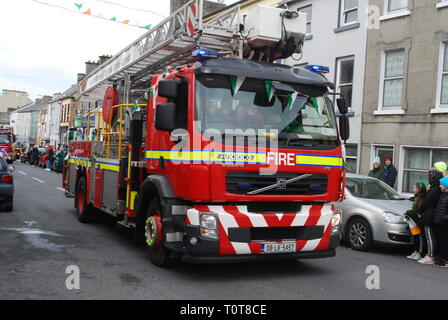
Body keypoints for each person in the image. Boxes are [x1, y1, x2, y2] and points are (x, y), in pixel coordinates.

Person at [416, 168, 443, 265]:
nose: (429, 179)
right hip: (434, 215)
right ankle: (432, 255)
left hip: (430, 215)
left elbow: (426, 203)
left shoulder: (433, 190)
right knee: (432, 236)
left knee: (429, 236)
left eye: (431, 177)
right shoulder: (438, 189)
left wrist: (419, 211)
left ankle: (431, 256)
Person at [405, 182, 427, 260]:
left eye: (414, 188)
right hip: (414, 220)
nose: (413, 189)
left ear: (419, 189)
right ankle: (415, 251)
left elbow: (418, 210)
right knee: (415, 236)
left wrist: (409, 212)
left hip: (418, 221)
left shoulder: (422, 198)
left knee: (419, 236)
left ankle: (419, 253)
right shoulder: (416, 197)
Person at [433, 176, 448, 267]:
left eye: (441, 185)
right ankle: (441, 258)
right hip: (439, 222)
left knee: (445, 242)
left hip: (445, 223)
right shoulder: (442, 195)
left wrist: (444, 218)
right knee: (440, 241)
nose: (440, 186)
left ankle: (445, 259)